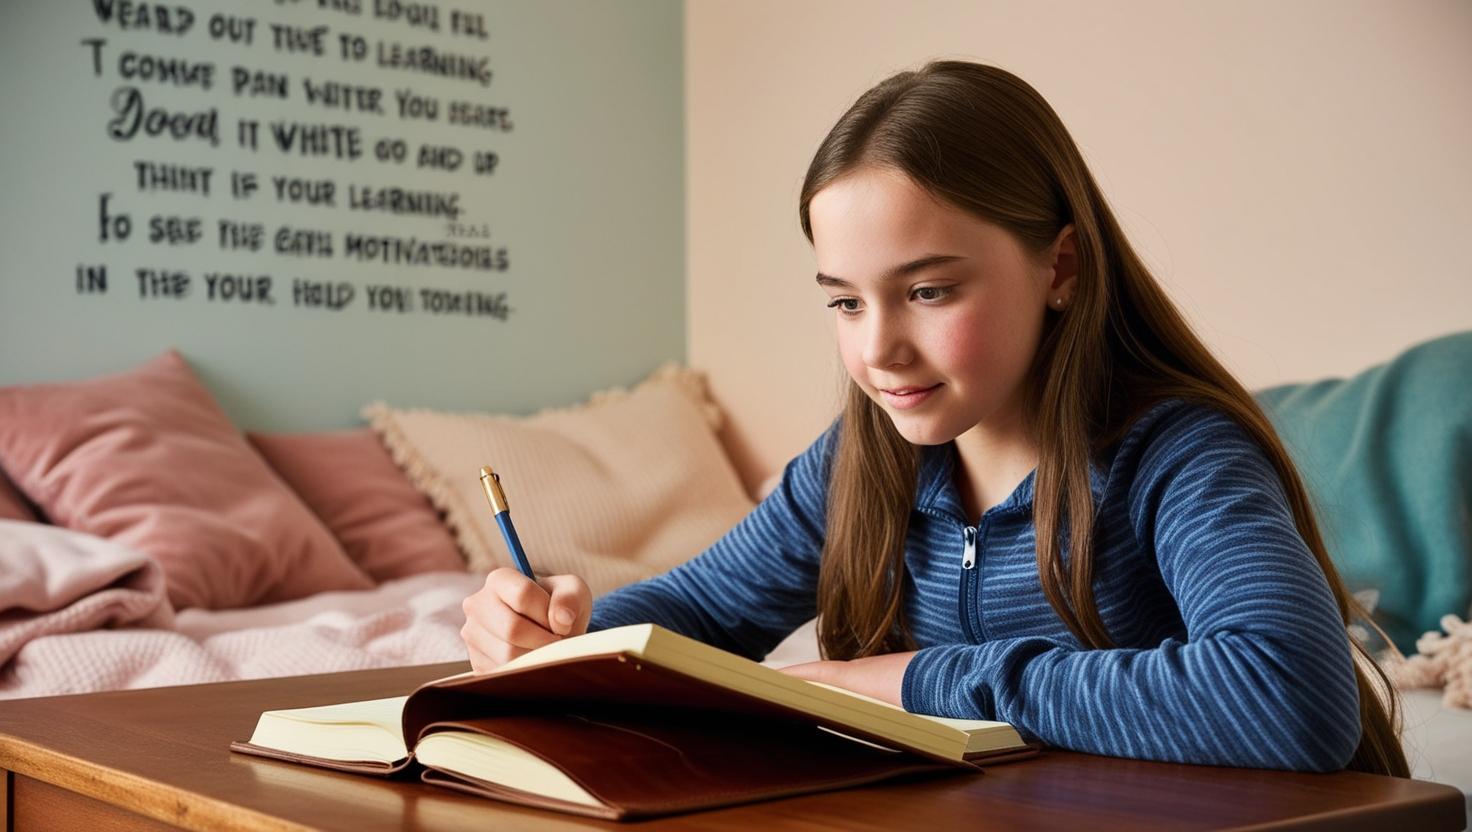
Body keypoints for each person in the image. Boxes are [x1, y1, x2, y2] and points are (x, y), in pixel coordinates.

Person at [459, 60, 1407, 776]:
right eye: (845, 302)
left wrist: (913, 682)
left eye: (927, 291)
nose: (878, 351)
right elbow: (698, 614)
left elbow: (1289, 698)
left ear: (1061, 268)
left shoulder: (1179, 456)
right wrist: (562, 639)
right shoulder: (860, 465)